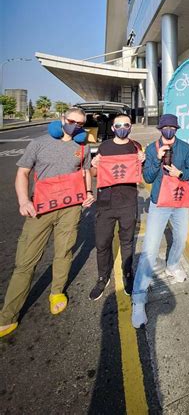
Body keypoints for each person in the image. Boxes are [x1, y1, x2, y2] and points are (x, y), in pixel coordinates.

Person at [0, 108, 94, 338]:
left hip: (70, 209)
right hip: (40, 209)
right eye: (71, 121)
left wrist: (89, 191)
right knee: (25, 261)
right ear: (62, 119)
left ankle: (57, 292)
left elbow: (85, 171)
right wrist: (24, 200)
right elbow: (23, 173)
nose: (75, 126)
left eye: (80, 124)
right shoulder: (39, 143)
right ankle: (8, 316)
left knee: (64, 253)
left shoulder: (83, 146)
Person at [132, 114, 189, 328]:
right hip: (159, 202)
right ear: (160, 129)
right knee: (150, 248)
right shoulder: (151, 149)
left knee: (180, 237)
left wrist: (181, 173)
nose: (169, 131)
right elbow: (147, 178)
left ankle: (173, 264)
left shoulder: (185, 147)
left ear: (176, 129)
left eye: (172, 128)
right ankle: (139, 297)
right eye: (165, 128)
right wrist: (158, 159)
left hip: (179, 202)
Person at [89, 114, 146, 300]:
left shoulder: (136, 147)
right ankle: (102, 277)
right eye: (119, 125)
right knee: (102, 243)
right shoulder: (104, 147)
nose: (123, 128)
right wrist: (94, 164)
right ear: (113, 128)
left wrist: (142, 161)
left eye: (126, 125)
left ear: (131, 127)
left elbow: (143, 176)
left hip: (128, 202)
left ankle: (127, 274)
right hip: (105, 203)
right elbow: (94, 173)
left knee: (127, 242)